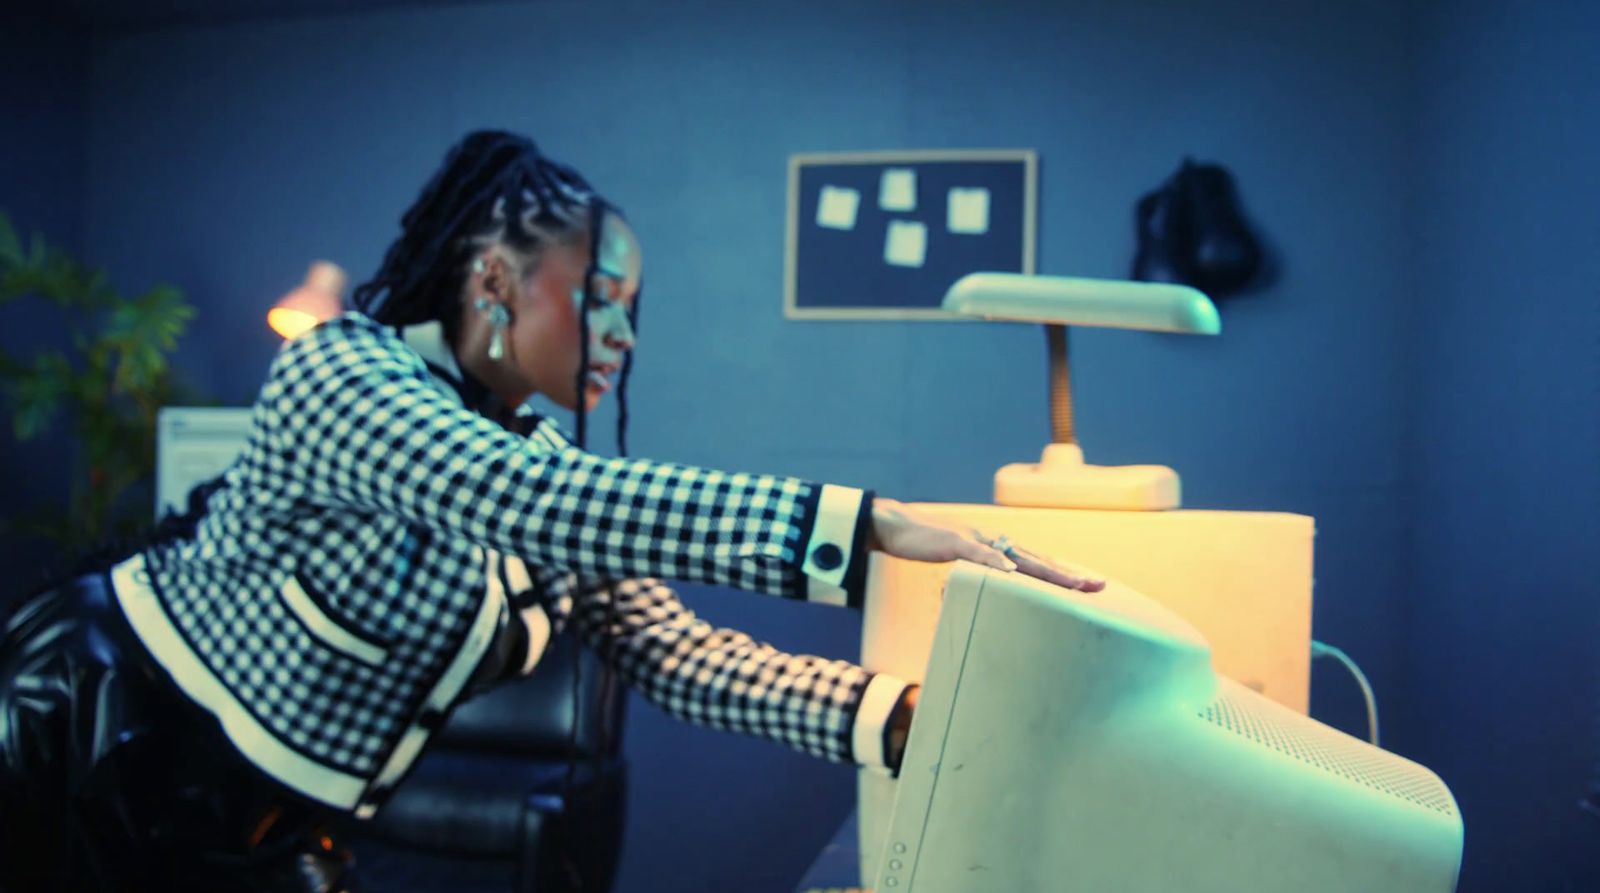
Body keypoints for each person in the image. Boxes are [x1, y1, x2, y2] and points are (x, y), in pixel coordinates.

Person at [0, 130, 1102, 892]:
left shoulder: (536, 454)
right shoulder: (342, 374)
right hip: (94, 724)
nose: (623, 336)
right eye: (600, 300)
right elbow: (520, 494)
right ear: (491, 279)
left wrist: (897, 714)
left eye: (633, 311)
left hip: (273, 815)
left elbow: (675, 654)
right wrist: (871, 527)